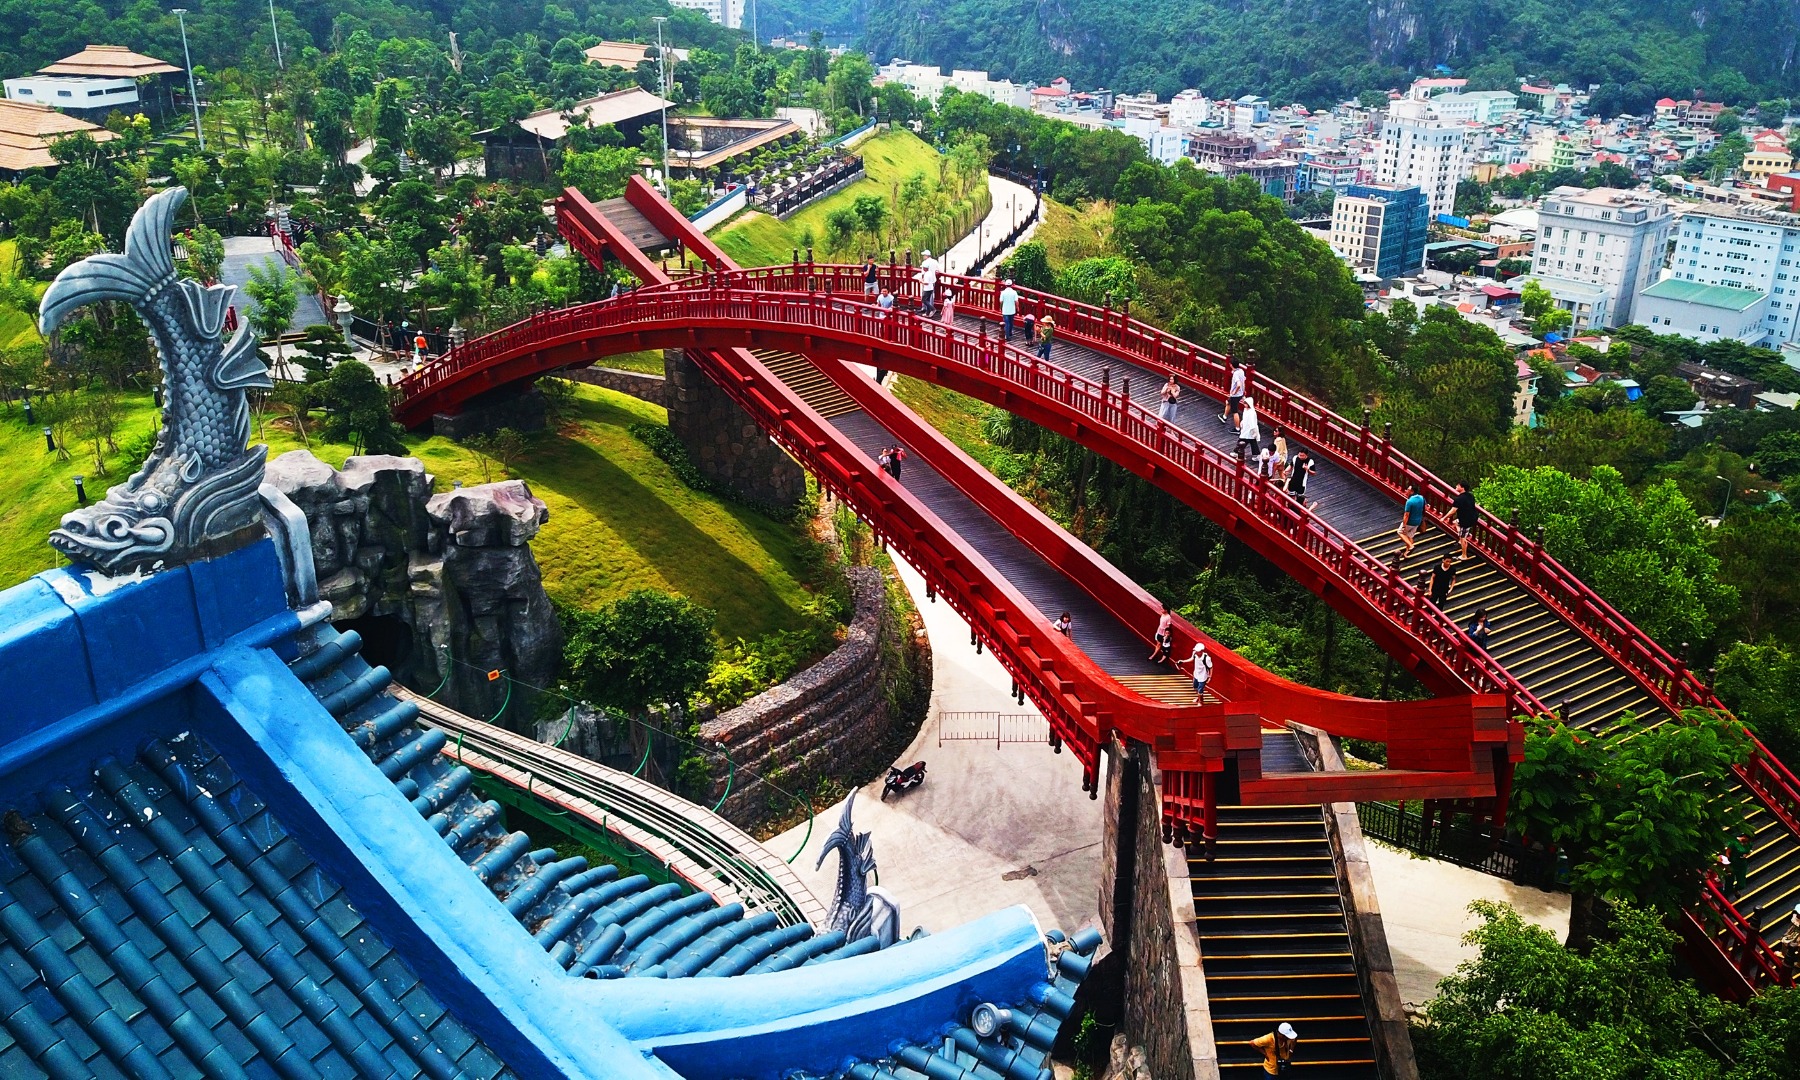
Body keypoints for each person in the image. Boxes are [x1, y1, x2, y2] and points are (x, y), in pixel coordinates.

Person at [1177, 639, 1212, 703]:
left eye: (1198, 651)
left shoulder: (1206, 658)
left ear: (1201, 651)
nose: (1196, 652)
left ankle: (1200, 702)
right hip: (1196, 674)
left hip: (1203, 676)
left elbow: (1210, 667)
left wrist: (1209, 677)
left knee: (1200, 690)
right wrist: (1183, 661)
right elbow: (1192, 658)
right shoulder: (1195, 654)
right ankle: (1199, 697)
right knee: (1195, 687)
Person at [1398, 482, 1426, 560]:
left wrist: (1404, 525)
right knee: (1410, 536)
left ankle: (1411, 546)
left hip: (1410, 522)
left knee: (1400, 532)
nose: (1406, 490)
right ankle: (1407, 553)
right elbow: (1424, 508)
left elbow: (1406, 515)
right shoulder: (1421, 498)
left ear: (1412, 491)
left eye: (1408, 489)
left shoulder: (1410, 501)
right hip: (1418, 521)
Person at [1452, 482, 1480, 560]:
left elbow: (1453, 510)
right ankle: (1461, 540)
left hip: (1466, 521)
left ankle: (1464, 555)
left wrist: (1444, 518)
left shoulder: (1459, 499)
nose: (1456, 486)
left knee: (1463, 537)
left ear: (1462, 488)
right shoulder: (1470, 495)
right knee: (1455, 522)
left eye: (1458, 485)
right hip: (1473, 517)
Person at [1220, 359, 1247, 428]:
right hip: (1240, 393)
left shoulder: (1236, 374)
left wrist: (1234, 392)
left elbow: (1238, 384)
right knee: (1228, 402)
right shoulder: (1241, 371)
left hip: (1235, 395)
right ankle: (1224, 417)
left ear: (1231, 365)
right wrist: (1243, 391)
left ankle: (1237, 428)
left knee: (1235, 412)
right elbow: (1243, 381)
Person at [1236, 397, 1261, 462]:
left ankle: (1237, 451)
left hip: (1250, 430)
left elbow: (1253, 422)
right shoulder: (1245, 410)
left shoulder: (1252, 412)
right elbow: (1244, 419)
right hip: (1245, 428)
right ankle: (1255, 455)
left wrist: (1254, 431)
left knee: (1247, 441)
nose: (1244, 404)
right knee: (1249, 441)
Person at [917, 248, 940, 314]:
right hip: (932, 280)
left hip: (926, 281)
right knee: (931, 296)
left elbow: (923, 273)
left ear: (927, 256)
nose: (923, 256)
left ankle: (926, 308)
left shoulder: (924, 263)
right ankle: (929, 309)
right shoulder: (934, 261)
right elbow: (938, 269)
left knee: (924, 296)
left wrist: (921, 280)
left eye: (924, 255)